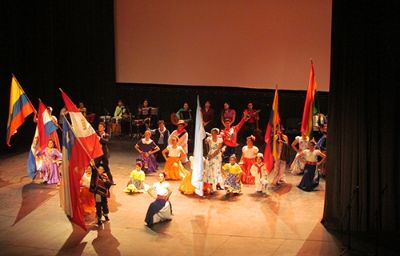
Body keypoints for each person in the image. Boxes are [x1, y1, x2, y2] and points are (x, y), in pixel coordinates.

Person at [204, 128, 224, 193]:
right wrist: (206, 140)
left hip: (216, 156)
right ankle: (211, 187)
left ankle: (218, 184)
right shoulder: (209, 139)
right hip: (210, 155)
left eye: (214, 133)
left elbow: (218, 150)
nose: (213, 134)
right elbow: (206, 142)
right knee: (210, 171)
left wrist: (212, 156)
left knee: (217, 170)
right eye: (212, 133)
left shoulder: (220, 140)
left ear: (217, 133)